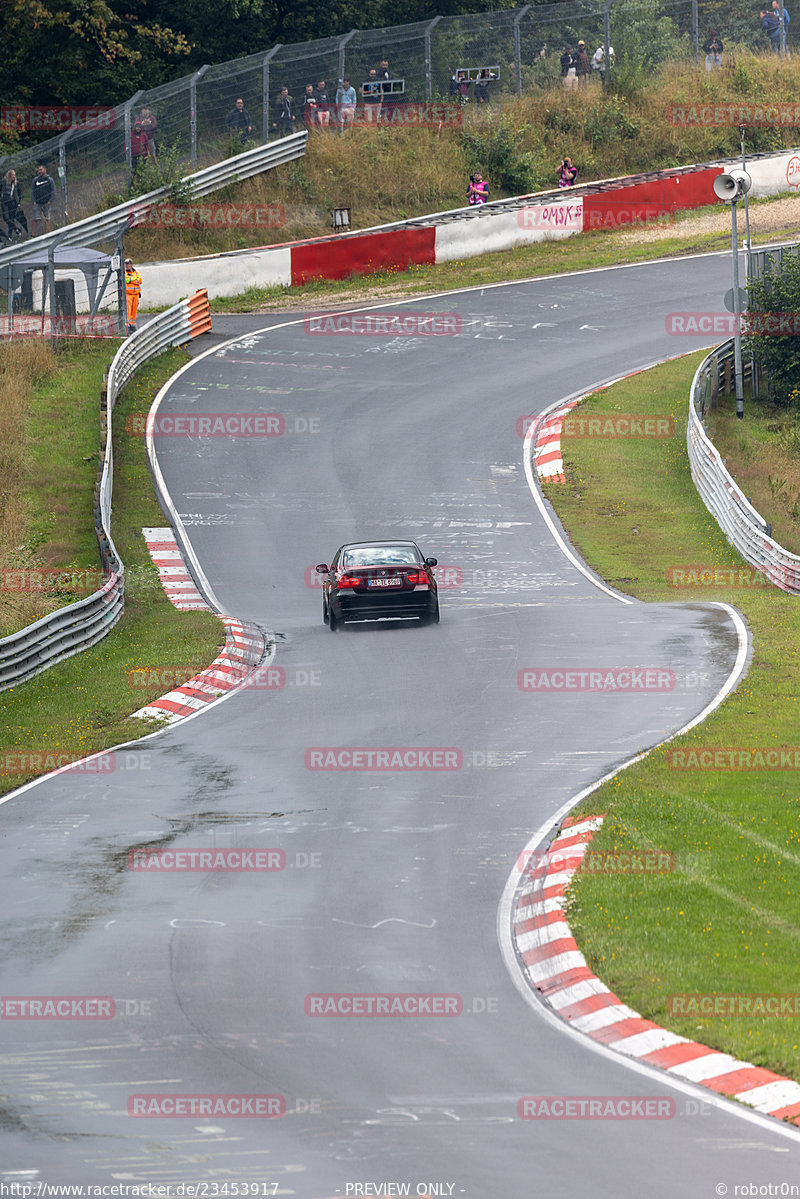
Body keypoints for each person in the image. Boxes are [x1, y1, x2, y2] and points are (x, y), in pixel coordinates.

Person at [1, 169, 28, 240]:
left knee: (11, 218)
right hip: (4, 201)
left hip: (12, 202)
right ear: (9, 175)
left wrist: (18, 202)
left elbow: (19, 193)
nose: (14, 176)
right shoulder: (4, 182)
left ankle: (9, 235)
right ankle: (17, 229)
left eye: (14, 175)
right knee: (6, 218)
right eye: (12, 175)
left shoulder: (16, 183)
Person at [31, 163, 55, 236]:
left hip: (46, 202)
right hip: (37, 202)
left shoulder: (49, 180)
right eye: (39, 170)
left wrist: (50, 201)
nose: (40, 171)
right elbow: (32, 191)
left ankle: (47, 232)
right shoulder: (35, 180)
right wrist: (33, 201)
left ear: (45, 170)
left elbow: (53, 191)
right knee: (36, 218)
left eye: (41, 169)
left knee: (47, 218)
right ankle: (32, 234)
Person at [124, 258, 142, 335]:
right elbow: (126, 280)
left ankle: (132, 326)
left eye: (128, 264)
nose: (126, 265)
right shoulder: (124, 272)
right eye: (125, 264)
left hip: (136, 295)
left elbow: (140, 281)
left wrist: (131, 280)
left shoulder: (136, 272)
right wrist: (135, 279)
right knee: (128, 311)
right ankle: (126, 327)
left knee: (134, 311)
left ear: (131, 264)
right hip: (128, 294)